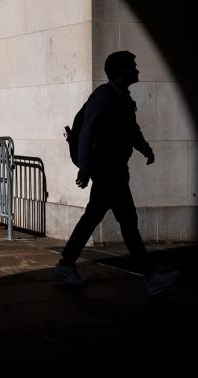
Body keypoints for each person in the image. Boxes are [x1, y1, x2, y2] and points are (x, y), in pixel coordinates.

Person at [53, 51, 180, 297]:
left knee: (94, 217)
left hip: (114, 169)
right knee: (128, 223)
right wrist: (86, 166)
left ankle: (66, 264)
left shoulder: (122, 97)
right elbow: (88, 131)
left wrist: (145, 149)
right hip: (108, 170)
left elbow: (130, 129)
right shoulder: (104, 96)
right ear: (122, 70)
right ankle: (151, 277)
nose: (137, 70)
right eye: (132, 66)